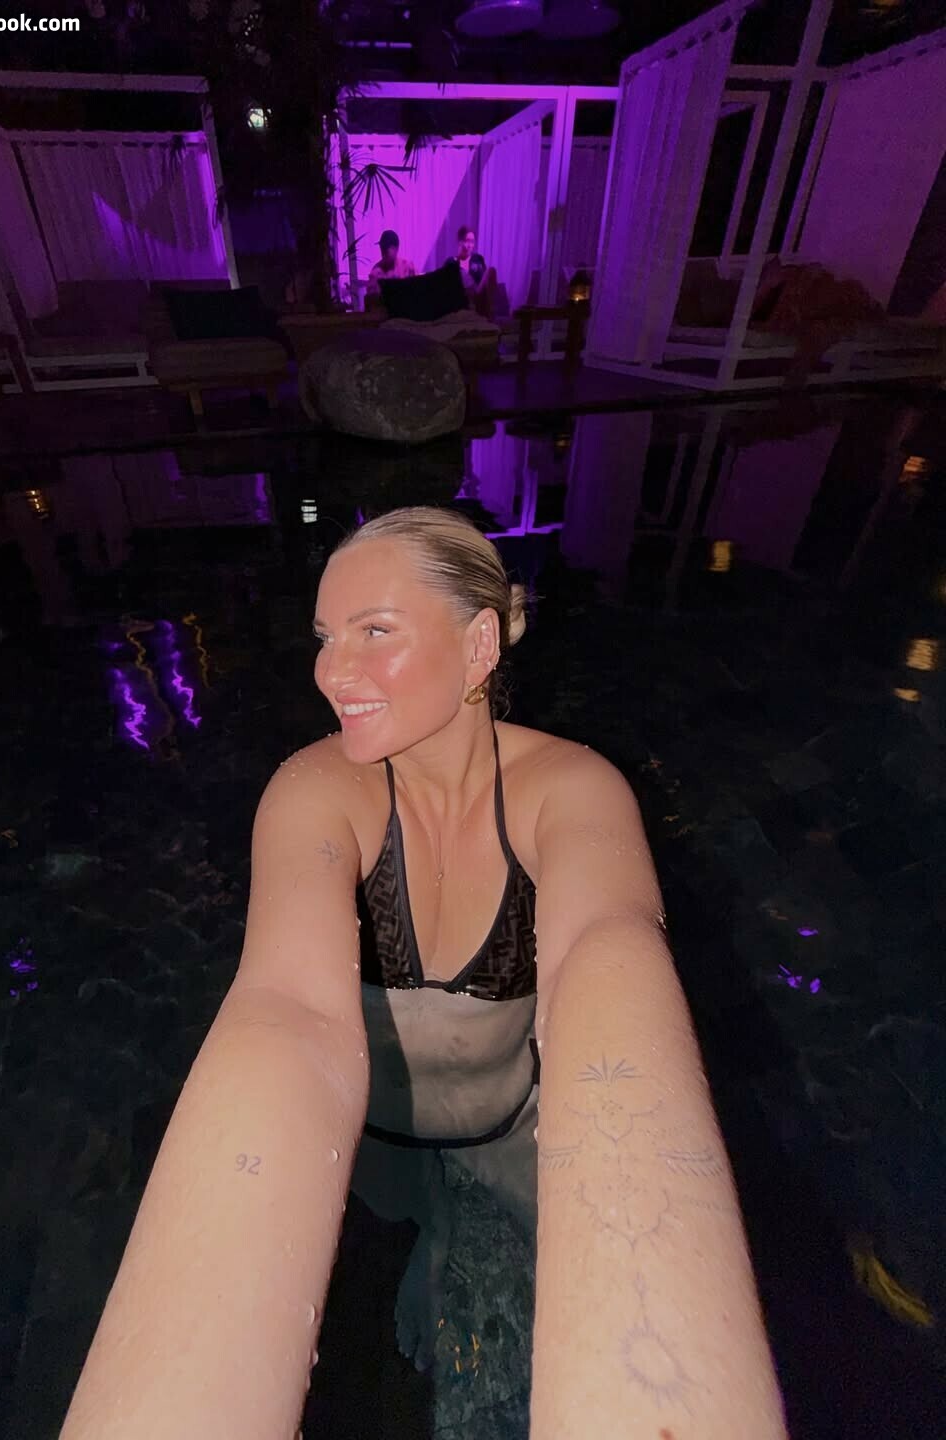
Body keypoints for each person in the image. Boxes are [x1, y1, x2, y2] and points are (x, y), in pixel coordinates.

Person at [60, 508, 788, 1440]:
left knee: (567, 1247)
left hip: (510, 1121)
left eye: (374, 631)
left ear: (479, 643)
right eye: (325, 637)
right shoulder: (319, 791)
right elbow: (285, 1007)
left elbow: (606, 949)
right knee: (418, 1213)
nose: (331, 672)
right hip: (380, 1132)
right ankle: (438, 1236)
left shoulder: (571, 791)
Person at [449, 224, 499, 319]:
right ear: (460, 242)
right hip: (463, 297)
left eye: (472, 242)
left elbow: (486, 283)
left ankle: (489, 311)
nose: (470, 246)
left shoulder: (478, 259)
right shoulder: (451, 261)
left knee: (491, 270)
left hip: (480, 296)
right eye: (467, 241)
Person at [365, 229, 416, 298]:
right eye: (382, 248)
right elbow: (371, 299)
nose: (383, 252)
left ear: (396, 249)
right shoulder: (376, 273)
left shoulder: (407, 267)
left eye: (386, 249)